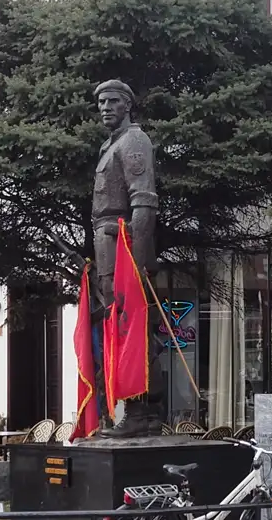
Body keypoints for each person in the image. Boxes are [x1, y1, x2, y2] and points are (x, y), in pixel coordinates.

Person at [92, 79, 162, 438]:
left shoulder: (134, 141)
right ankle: (138, 412)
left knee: (128, 326)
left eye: (113, 101)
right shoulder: (111, 144)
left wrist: (134, 259)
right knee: (119, 326)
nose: (106, 106)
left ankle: (137, 413)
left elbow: (144, 202)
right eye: (101, 101)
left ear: (128, 105)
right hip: (108, 244)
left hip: (121, 246)